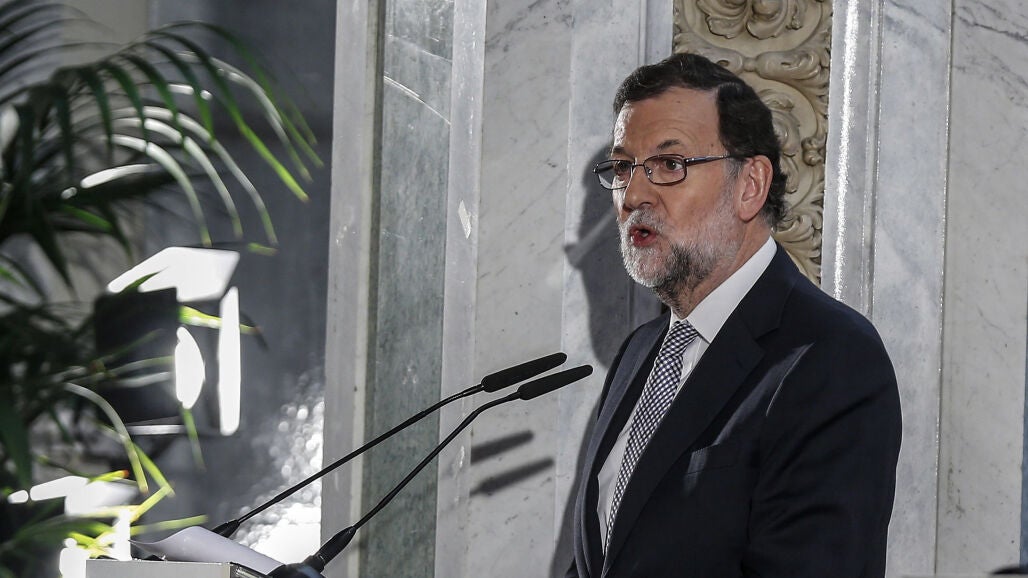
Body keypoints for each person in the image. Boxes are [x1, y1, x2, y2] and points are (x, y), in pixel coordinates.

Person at [565, 53, 902, 578]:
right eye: (624, 168)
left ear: (750, 185)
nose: (633, 195)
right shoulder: (640, 352)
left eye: (669, 165)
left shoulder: (831, 358)